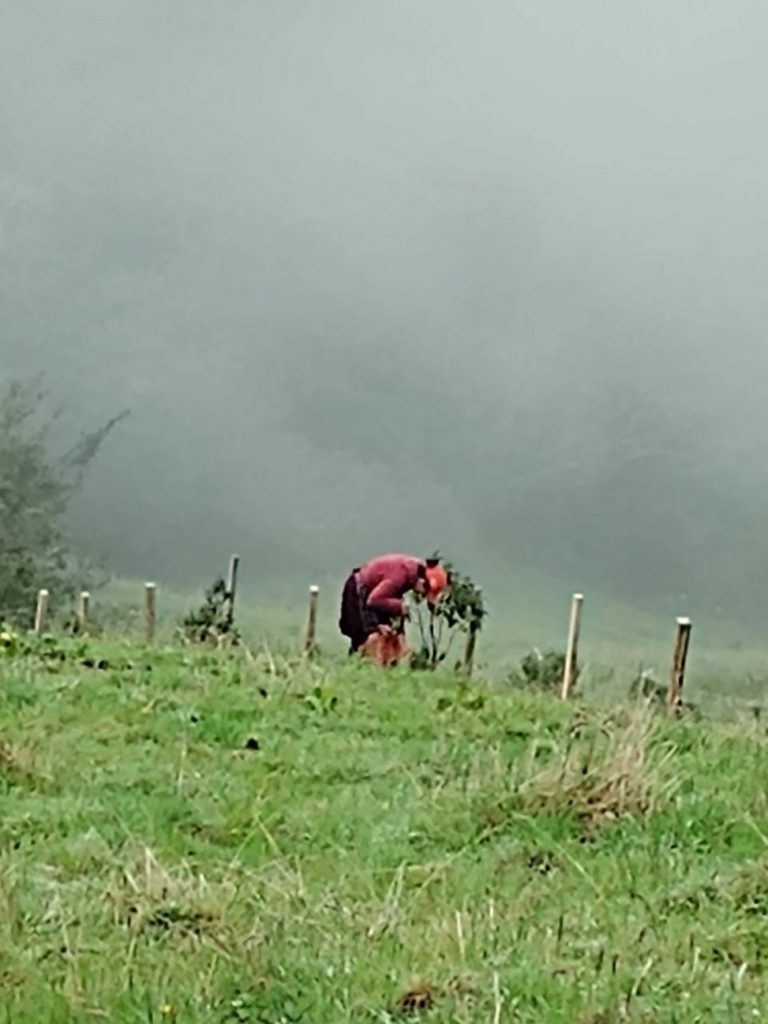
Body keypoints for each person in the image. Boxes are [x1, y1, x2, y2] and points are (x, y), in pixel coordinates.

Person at [339, 554, 449, 654]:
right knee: (365, 637)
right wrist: (400, 607)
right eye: (424, 592)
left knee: (388, 635)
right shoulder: (400, 576)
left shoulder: (410, 573)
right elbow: (374, 600)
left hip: (371, 594)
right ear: (422, 581)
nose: (422, 595)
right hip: (359, 591)